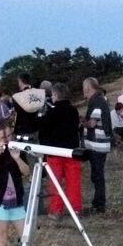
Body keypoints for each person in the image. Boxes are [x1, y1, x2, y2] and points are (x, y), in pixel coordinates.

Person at [39, 83, 82, 218]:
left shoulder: (50, 113)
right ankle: (75, 209)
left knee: (55, 183)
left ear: (56, 95)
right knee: (73, 181)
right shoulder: (73, 110)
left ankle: (56, 210)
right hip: (72, 151)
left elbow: (43, 132)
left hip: (55, 152)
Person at [82, 77, 112, 214]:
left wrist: (83, 122)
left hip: (97, 145)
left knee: (97, 175)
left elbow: (93, 123)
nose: (84, 91)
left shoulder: (96, 101)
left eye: (84, 88)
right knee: (97, 174)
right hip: (100, 144)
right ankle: (98, 203)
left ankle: (99, 205)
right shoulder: (101, 99)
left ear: (88, 88)